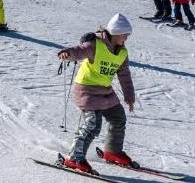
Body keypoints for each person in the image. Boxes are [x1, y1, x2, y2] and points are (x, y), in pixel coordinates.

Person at [55, 13, 136, 173]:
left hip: (104, 91)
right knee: (92, 125)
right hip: (85, 89)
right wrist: (67, 53)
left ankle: (112, 151)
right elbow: (79, 50)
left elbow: (124, 74)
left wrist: (129, 96)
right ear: (115, 32)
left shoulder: (122, 53)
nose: (126, 38)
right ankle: (74, 158)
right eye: (124, 35)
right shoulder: (95, 44)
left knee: (118, 118)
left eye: (127, 35)